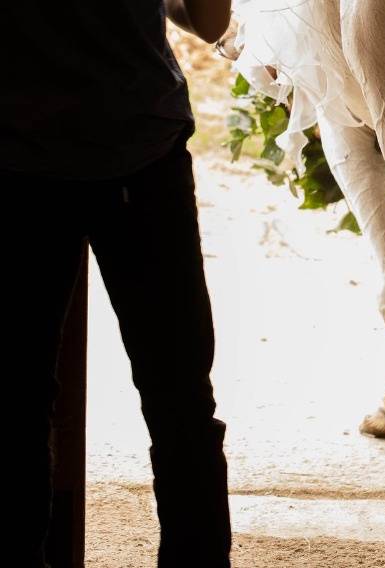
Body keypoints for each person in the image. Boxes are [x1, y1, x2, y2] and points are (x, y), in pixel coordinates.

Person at [3, 1, 233, 566]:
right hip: (138, 144)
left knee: (15, 402)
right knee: (180, 399)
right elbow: (208, 20)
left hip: (17, 153)